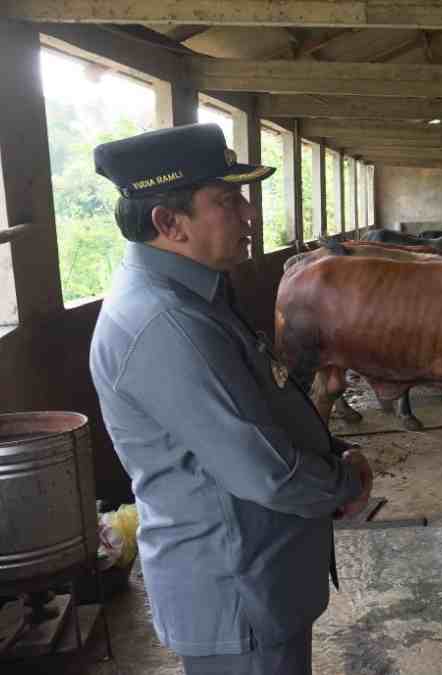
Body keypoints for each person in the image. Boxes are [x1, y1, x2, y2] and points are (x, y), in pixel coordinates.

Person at [89, 123, 373, 675]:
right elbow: (266, 473)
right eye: (227, 200)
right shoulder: (167, 322)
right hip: (237, 586)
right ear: (169, 223)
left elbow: (261, 405)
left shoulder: (196, 296)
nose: (250, 215)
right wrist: (344, 482)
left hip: (258, 570)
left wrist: (329, 448)